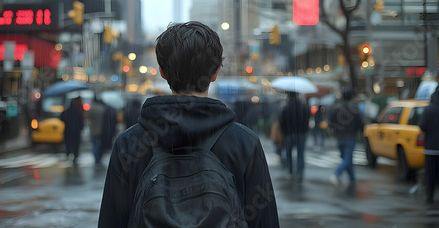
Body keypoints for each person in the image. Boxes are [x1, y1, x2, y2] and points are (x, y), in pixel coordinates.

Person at [98, 21, 280, 228]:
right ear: (215, 73)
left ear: (162, 72)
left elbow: (111, 221)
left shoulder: (129, 144)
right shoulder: (245, 143)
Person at [328, 87, 364, 186]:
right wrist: (362, 131)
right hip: (350, 136)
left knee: (346, 158)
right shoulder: (354, 107)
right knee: (347, 159)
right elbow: (360, 122)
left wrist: (335, 129)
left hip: (339, 136)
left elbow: (331, 122)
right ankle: (337, 174)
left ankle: (352, 178)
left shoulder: (336, 106)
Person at [278, 91, 311, 181]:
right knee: (300, 153)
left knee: (289, 153)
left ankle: (290, 171)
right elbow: (307, 118)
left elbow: (281, 121)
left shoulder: (285, 107)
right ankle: (299, 173)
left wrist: (285, 131)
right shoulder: (303, 106)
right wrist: (304, 129)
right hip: (301, 133)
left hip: (289, 133)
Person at [419, 85, 439, 204]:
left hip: (430, 148)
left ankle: (430, 198)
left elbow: (422, 127)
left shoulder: (428, 109)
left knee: (430, 175)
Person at [59, 96, 84, 164]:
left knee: (68, 143)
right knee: (76, 144)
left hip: (68, 130)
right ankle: (75, 155)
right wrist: (81, 128)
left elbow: (61, 118)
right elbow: (81, 121)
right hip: (76, 131)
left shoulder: (67, 111)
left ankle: (68, 153)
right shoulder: (77, 111)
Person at [88, 96, 106, 165]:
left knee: (94, 144)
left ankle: (95, 158)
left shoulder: (91, 108)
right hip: (99, 129)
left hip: (92, 129)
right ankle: (97, 158)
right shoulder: (101, 108)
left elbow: (87, 117)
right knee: (98, 145)